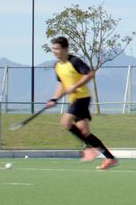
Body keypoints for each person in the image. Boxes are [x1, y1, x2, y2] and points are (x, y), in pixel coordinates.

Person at [45, 36, 117, 170]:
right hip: (74, 100)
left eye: (57, 48)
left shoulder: (74, 61)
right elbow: (62, 85)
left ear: (65, 49)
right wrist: (54, 99)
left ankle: (90, 149)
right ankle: (110, 158)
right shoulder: (57, 66)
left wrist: (76, 86)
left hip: (82, 98)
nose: (54, 51)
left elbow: (89, 74)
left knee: (65, 122)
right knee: (85, 133)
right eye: (53, 49)